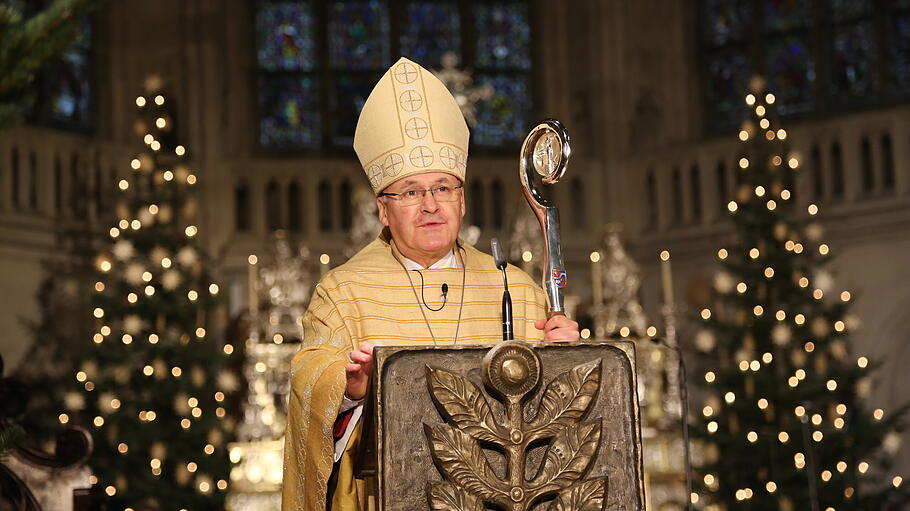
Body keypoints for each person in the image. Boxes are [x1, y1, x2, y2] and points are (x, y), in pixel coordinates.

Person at [281, 57, 579, 511]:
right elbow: (307, 381)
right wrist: (348, 389)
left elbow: (555, 418)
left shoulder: (515, 289)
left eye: (443, 188)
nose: (430, 205)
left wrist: (571, 360)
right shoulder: (344, 291)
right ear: (383, 209)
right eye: (411, 192)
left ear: (461, 200)